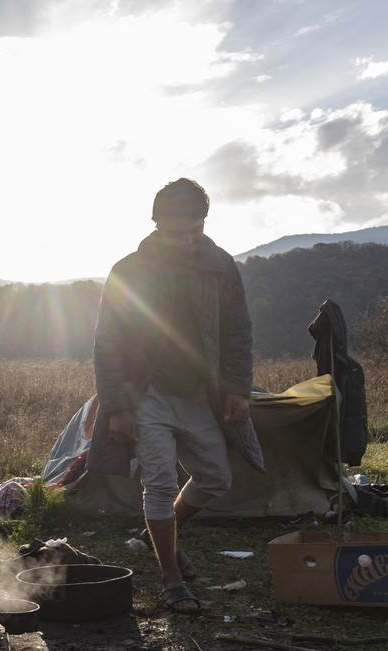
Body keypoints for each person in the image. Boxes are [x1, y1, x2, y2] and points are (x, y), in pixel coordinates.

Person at [89, 179, 262, 614]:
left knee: (215, 478)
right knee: (160, 484)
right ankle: (170, 576)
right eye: (176, 232)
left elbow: (238, 332)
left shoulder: (219, 265)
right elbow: (108, 342)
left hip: (198, 392)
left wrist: (238, 388)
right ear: (155, 224)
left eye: (195, 230)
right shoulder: (129, 271)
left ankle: (160, 534)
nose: (186, 240)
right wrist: (118, 407)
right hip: (145, 392)